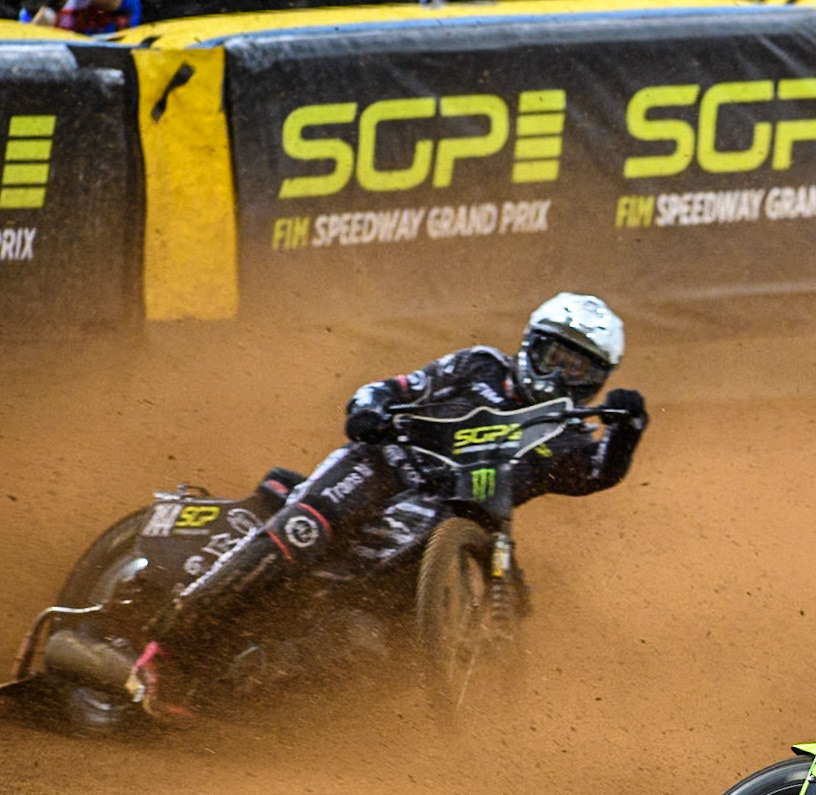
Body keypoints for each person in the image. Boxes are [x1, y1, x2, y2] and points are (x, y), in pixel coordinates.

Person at [124, 293, 648, 713]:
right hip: (384, 467)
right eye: (554, 356)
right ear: (530, 345)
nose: (559, 375)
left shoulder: (566, 434)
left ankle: (268, 702)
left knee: (377, 642)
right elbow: (392, 388)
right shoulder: (480, 366)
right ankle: (166, 645)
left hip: (446, 518)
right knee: (303, 534)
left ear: (597, 381)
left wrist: (627, 428)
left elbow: (597, 473)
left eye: (577, 370)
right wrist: (370, 411)